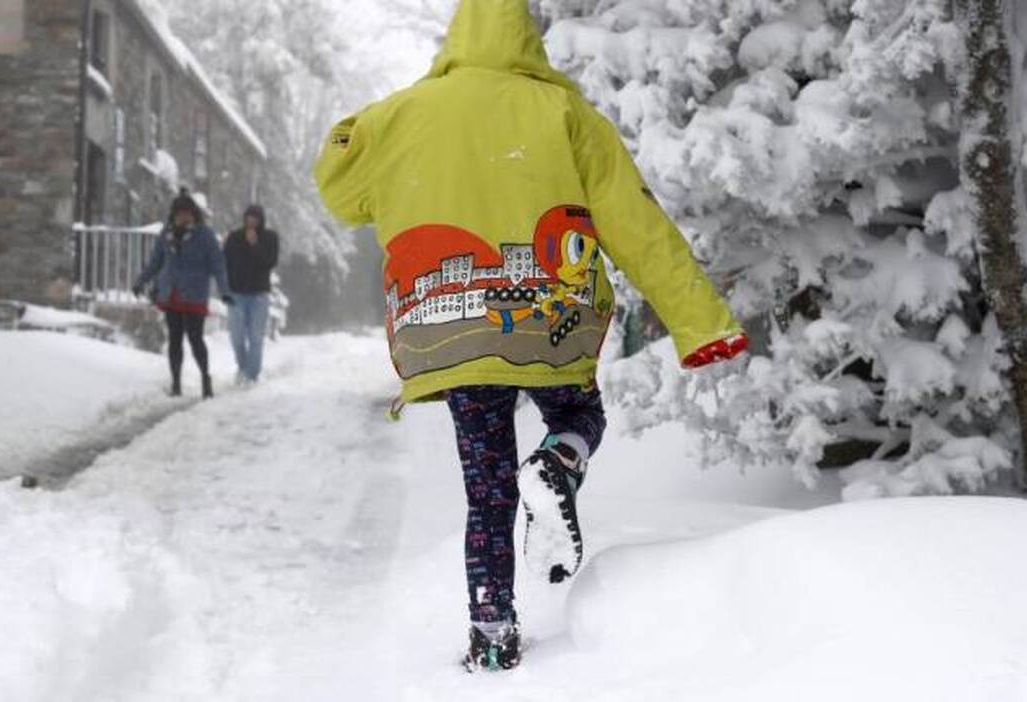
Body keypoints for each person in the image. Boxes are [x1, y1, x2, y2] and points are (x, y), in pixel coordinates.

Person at [314, 0, 748, 673]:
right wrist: (701, 323)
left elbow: (339, 192)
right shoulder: (565, 114)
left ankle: (492, 631)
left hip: (449, 326)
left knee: (487, 486)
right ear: (527, 36)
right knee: (578, 411)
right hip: (551, 316)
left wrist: (356, 131)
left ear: (456, 35)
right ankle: (562, 459)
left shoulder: (401, 116)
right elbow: (637, 225)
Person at [132, 192, 232, 399]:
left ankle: (205, 378)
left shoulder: (204, 235)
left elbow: (218, 266)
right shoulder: (166, 235)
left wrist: (225, 291)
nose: (183, 218)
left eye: (187, 214)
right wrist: (141, 281)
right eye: (179, 214)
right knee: (175, 339)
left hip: (194, 295)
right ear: (173, 215)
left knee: (195, 338)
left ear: (194, 215)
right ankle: (176, 383)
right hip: (171, 293)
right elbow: (155, 262)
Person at [223, 205, 280, 384]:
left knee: (256, 337)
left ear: (261, 220)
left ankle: (251, 375)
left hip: (259, 295)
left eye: (255, 218)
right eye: (249, 218)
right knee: (236, 337)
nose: (252, 221)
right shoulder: (234, 238)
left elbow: (270, 262)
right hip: (236, 294)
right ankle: (242, 367)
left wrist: (255, 244)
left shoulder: (270, 238)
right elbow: (224, 264)